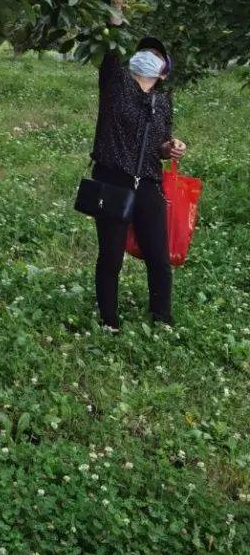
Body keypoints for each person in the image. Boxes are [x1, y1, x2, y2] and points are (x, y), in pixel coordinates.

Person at [91, 26, 187, 329]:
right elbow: (111, 49)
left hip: (147, 182)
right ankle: (109, 321)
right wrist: (115, 14)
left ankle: (162, 319)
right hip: (112, 179)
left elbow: (158, 144)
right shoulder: (116, 84)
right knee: (111, 256)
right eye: (145, 51)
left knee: (158, 256)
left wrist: (170, 147)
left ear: (164, 72)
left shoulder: (163, 101)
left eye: (157, 54)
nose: (148, 56)